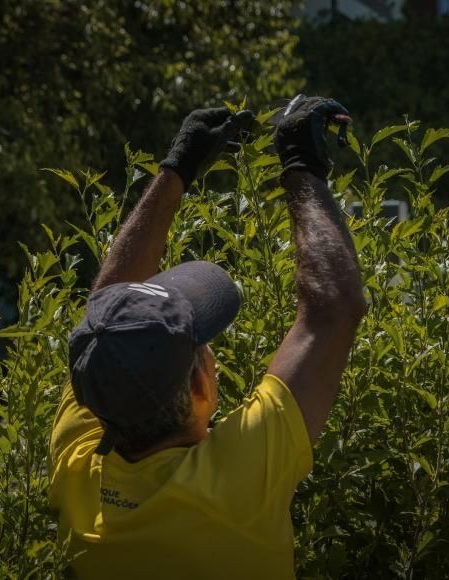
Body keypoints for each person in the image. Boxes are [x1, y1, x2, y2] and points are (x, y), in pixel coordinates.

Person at [48, 96, 365, 579]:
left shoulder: (77, 470)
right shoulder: (236, 487)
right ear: (199, 388)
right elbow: (336, 307)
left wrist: (176, 170)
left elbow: (111, 314)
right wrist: (301, 162)